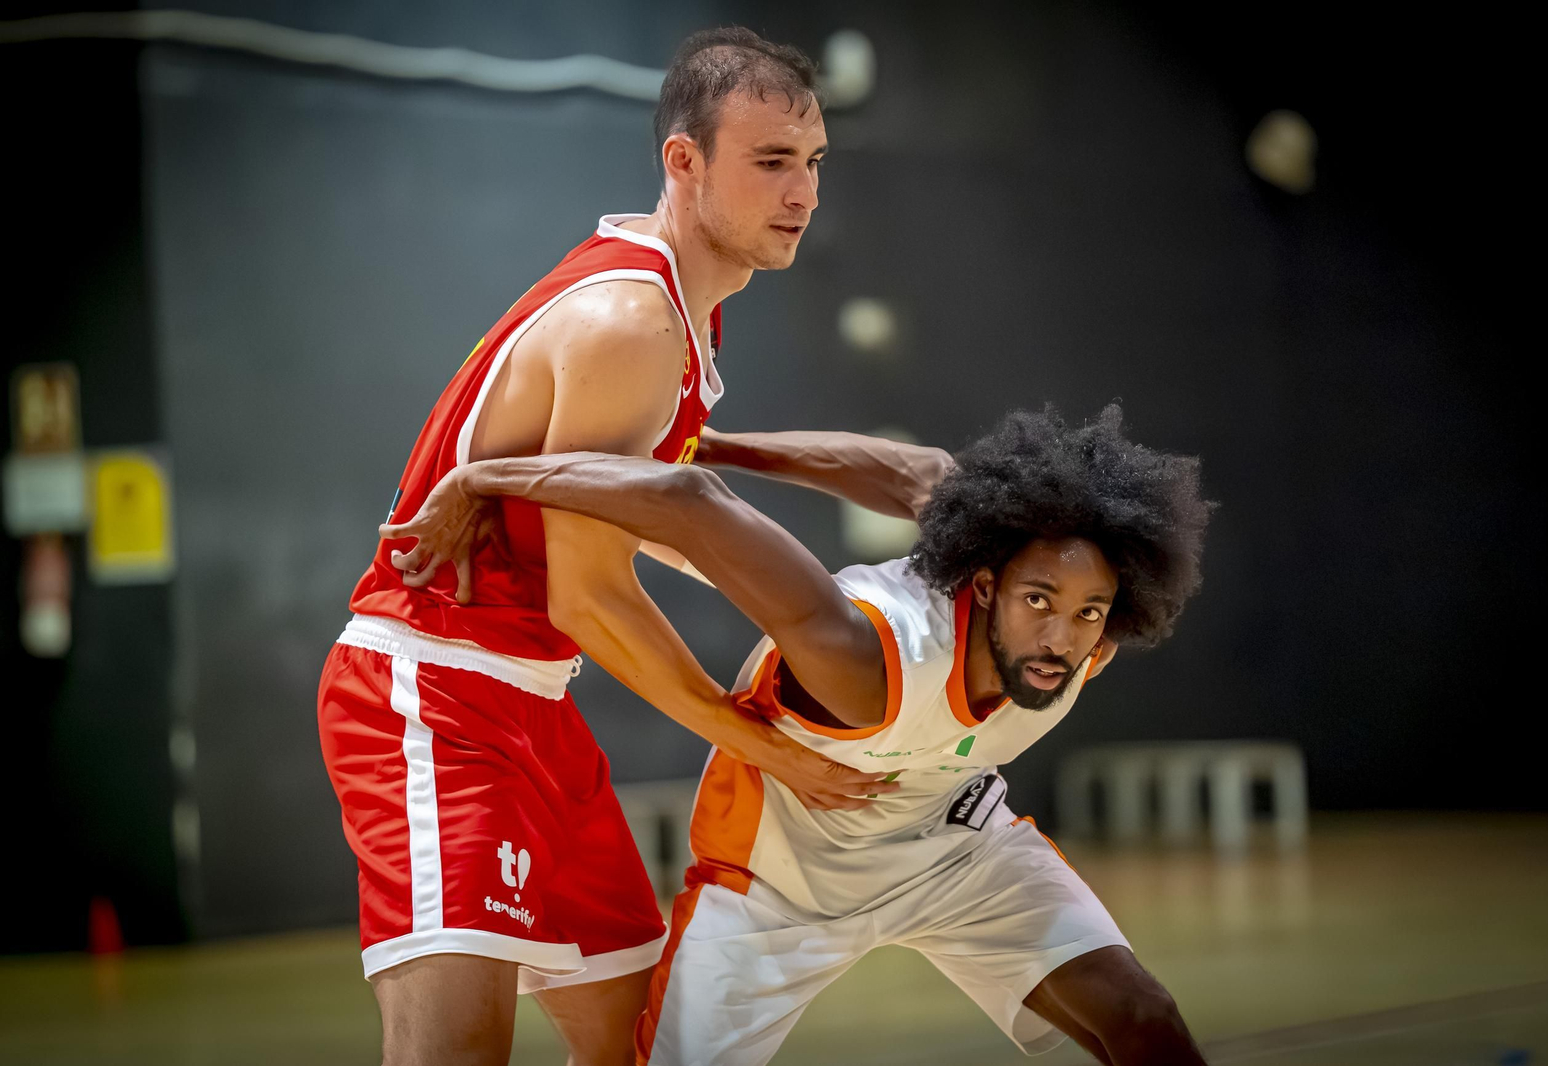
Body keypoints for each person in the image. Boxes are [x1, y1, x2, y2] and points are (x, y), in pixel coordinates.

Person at [315, 27, 891, 1066]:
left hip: (532, 701)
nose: (803, 191)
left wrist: (834, 605)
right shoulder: (633, 321)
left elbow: (658, 518)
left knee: (642, 1045)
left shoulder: (682, 304)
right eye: (771, 161)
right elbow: (589, 596)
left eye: (813, 161)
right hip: (435, 692)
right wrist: (763, 745)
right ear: (684, 159)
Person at [382, 405, 1216, 1065]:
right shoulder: (863, 661)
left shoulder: (1079, 643)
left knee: (1143, 1019)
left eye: (1088, 612)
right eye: (1040, 601)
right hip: (776, 888)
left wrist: (724, 443)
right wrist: (485, 477)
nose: (1062, 636)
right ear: (989, 586)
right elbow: (689, 503)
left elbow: (920, 471)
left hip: (954, 851)